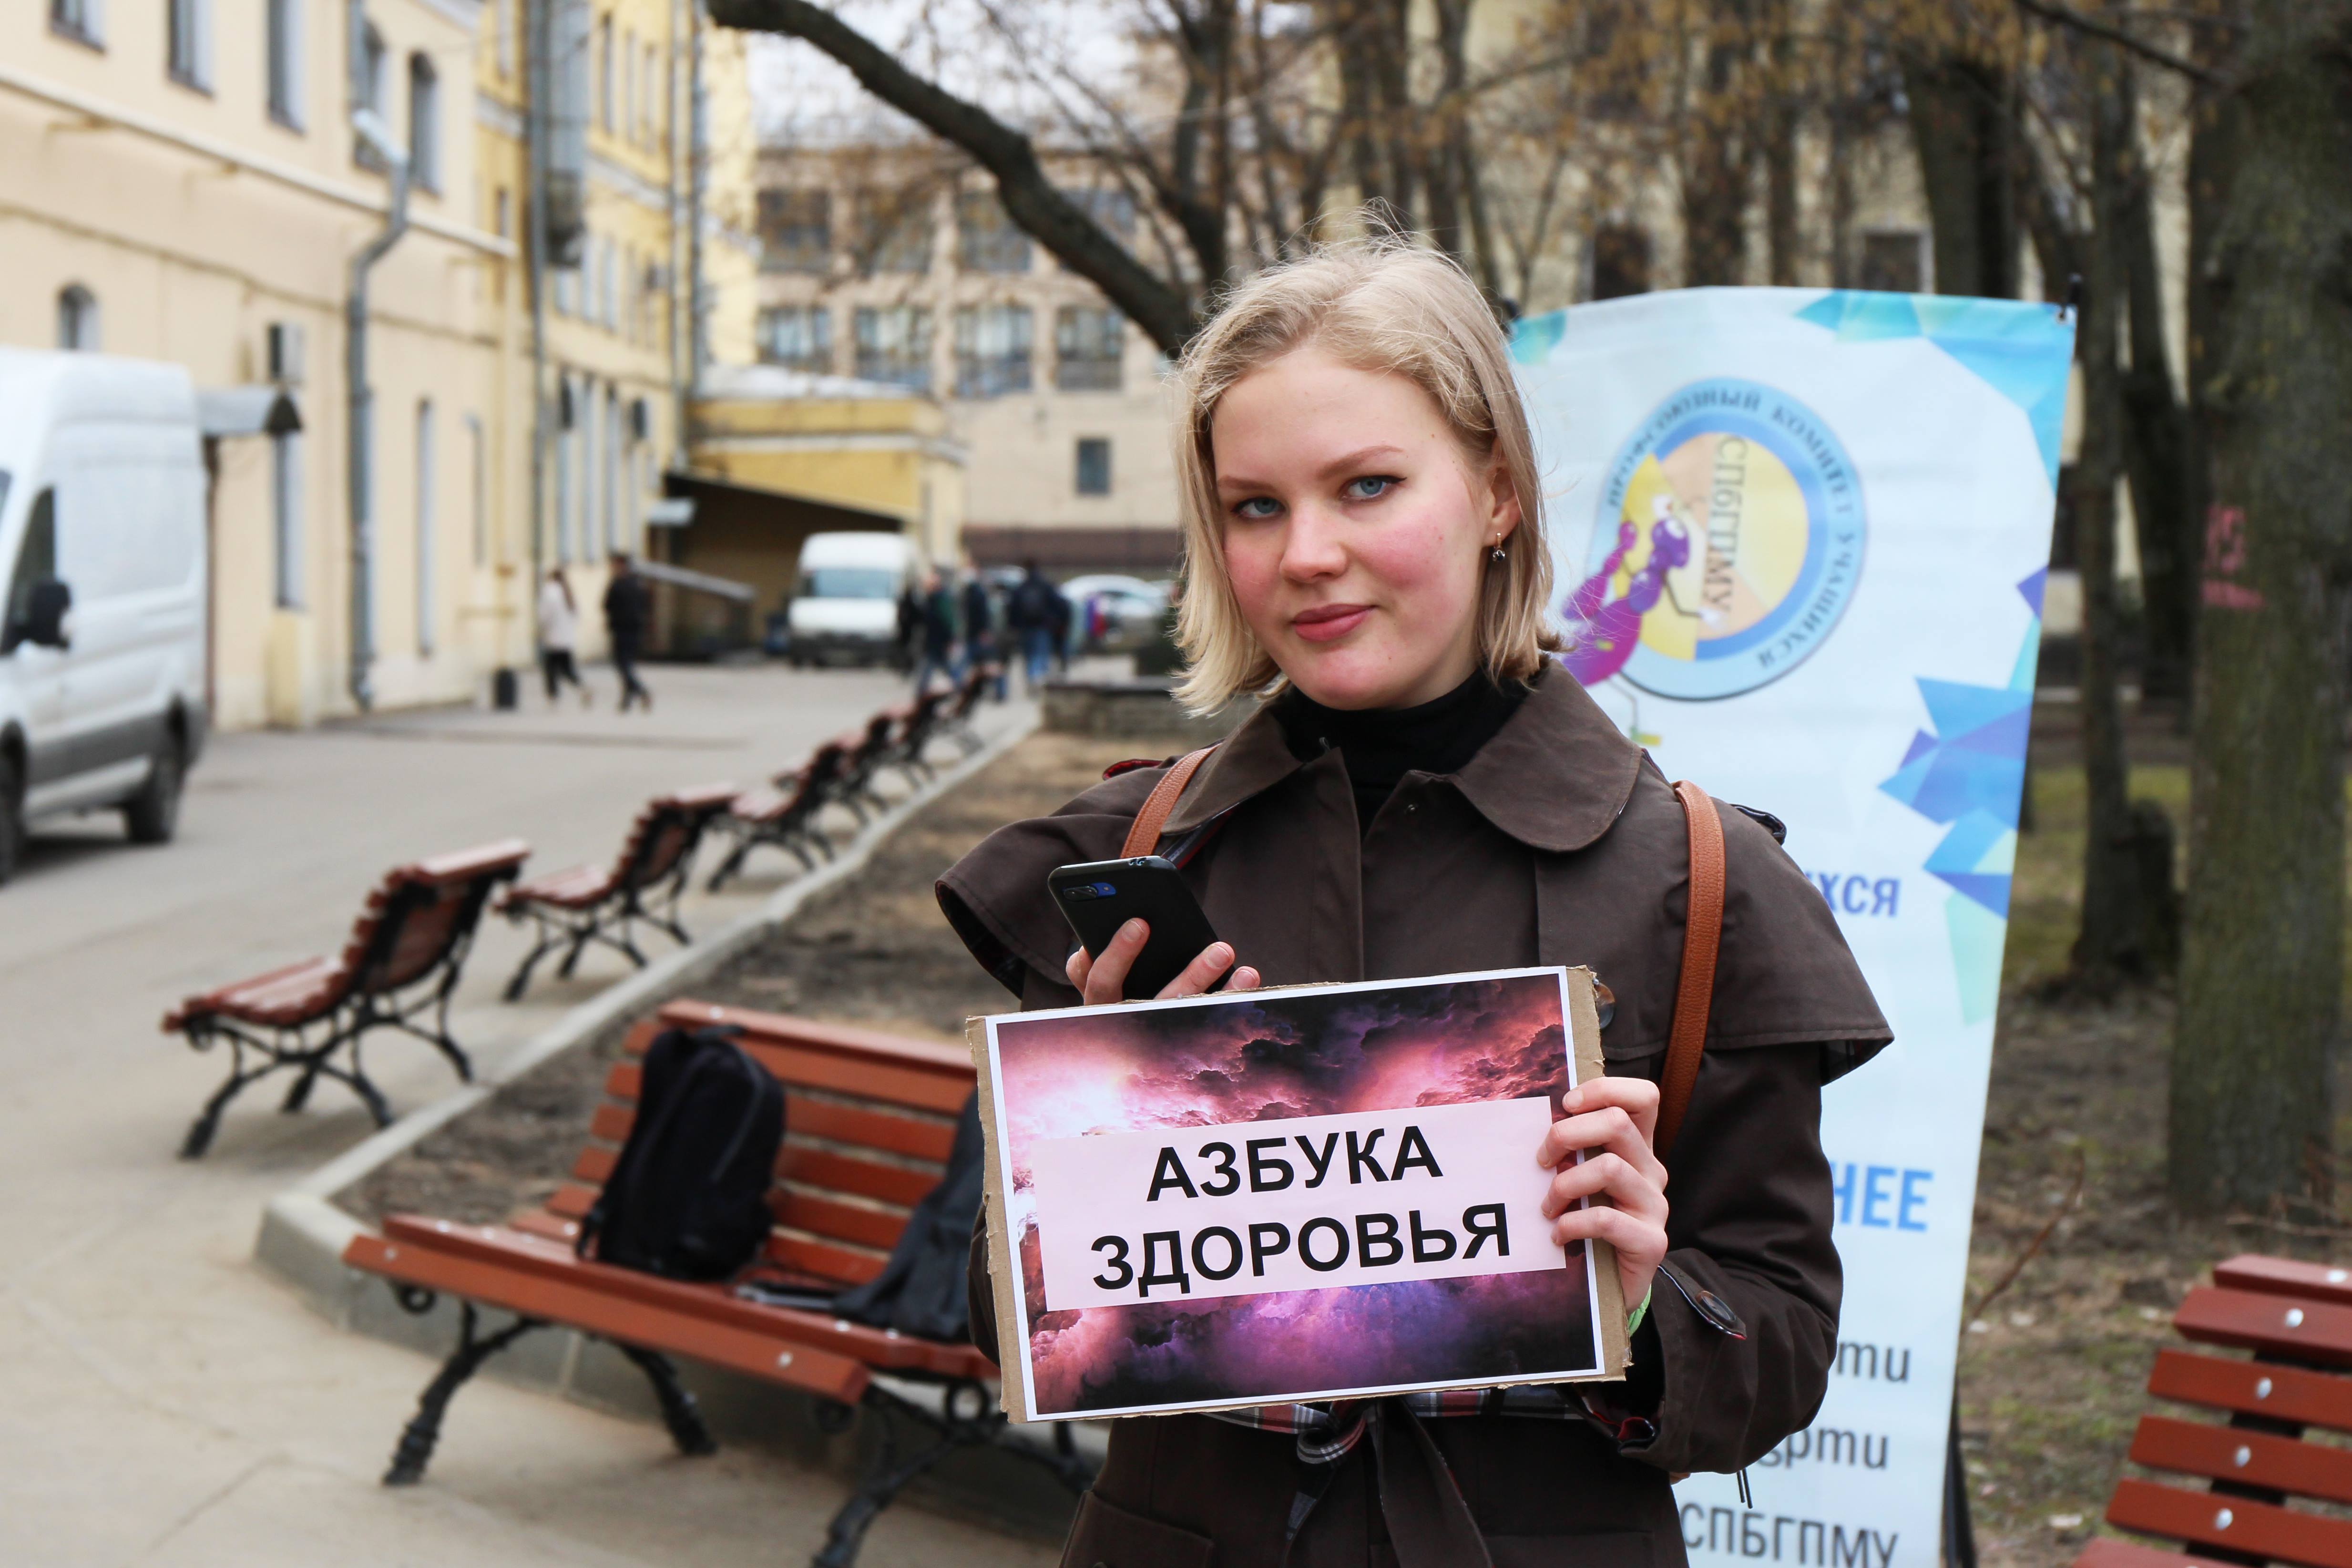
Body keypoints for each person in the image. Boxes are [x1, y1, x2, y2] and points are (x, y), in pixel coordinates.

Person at [935, 239, 1891, 1568]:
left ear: (1495, 490)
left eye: (1366, 485)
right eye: (1253, 506)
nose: (1306, 553)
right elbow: (1001, 1320)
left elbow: (1777, 1351)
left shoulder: (1694, 878)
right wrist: (1087, 1149)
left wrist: (1638, 1298)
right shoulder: (1134, 861)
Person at [602, 552, 652, 712]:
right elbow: (646, 605)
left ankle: (640, 691)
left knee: (623, 665)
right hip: (636, 629)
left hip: (621, 629)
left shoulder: (618, 584)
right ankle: (627, 699)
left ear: (621, 565)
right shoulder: (638, 584)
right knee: (627, 664)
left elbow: (606, 605)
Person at [1004, 560, 1061, 694]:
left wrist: (1013, 626)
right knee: (1040, 653)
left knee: (1029, 656)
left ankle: (1032, 677)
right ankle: (1038, 677)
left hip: (1025, 627)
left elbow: (1013, 608)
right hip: (1043, 626)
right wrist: (1054, 622)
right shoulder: (1045, 586)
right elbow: (1057, 605)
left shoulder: (1022, 587)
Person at [536, 568, 590, 707]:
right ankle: (582, 688)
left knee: (551, 670)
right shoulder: (568, 593)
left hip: (553, 638)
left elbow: (544, 616)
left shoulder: (550, 592)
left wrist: (541, 630)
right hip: (567, 639)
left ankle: (553, 696)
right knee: (567, 670)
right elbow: (576, 616)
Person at [958, 566, 1005, 700]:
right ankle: (996, 691)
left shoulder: (977, 594)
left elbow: (982, 616)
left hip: (978, 636)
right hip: (976, 635)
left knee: (989, 664)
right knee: (985, 664)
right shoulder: (974, 593)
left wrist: (985, 632)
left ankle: (999, 691)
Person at [911, 568, 957, 694]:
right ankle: (922, 691)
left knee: (940, 667)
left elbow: (948, 621)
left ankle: (922, 692)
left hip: (939, 641)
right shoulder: (931, 599)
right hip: (933, 641)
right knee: (940, 667)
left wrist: (950, 640)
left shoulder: (941, 600)